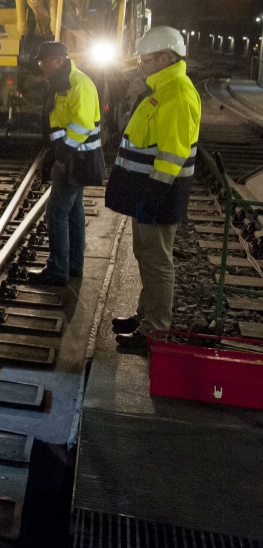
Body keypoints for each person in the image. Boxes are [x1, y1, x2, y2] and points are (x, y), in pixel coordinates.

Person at [105, 27, 201, 350]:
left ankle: (155, 332)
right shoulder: (161, 89)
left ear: (164, 58)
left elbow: (171, 155)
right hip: (146, 191)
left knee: (158, 261)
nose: (140, 66)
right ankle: (144, 316)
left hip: (159, 193)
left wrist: (153, 196)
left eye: (145, 60)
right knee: (144, 255)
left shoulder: (177, 94)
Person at [27, 42, 106, 286]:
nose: (41, 66)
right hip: (73, 157)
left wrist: (62, 156)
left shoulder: (77, 84)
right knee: (73, 211)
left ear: (59, 60)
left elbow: (81, 125)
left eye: (44, 61)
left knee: (57, 211)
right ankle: (73, 265)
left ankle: (58, 269)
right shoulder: (63, 82)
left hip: (75, 159)